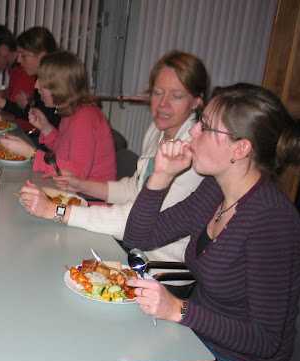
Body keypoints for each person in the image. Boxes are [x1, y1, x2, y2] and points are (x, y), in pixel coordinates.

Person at [71, 83, 300, 361]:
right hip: (193, 336)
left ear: (240, 149)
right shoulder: (214, 190)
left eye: (205, 128)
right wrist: (160, 178)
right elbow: (140, 236)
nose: (192, 134)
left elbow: (266, 340)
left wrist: (179, 310)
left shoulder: (273, 221)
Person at [18, 51, 207, 262]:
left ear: (196, 102)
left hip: (155, 264)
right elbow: (134, 189)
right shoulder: (157, 131)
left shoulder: (193, 156)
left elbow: (135, 220)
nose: (163, 104)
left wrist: (56, 210)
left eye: (176, 96)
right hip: (129, 245)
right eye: (157, 92)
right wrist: (81, 184)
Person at [1, 51, 116, 181]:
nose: (36, 86)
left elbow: (76, 174)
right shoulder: (71, 111)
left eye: (41, 81)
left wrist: (32, 154)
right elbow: (64, 152)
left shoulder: (86, 118)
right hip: (69, 190)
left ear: (58, 87)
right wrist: (45, 127)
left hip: (85, 198)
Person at [0, 26, 60, 133]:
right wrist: (3, 103)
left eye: (23, 56)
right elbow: (38, 117)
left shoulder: (57, 84)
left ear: (42, 56)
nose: (19, 60)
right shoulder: (40, 79)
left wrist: (27, 107)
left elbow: (49, 124)